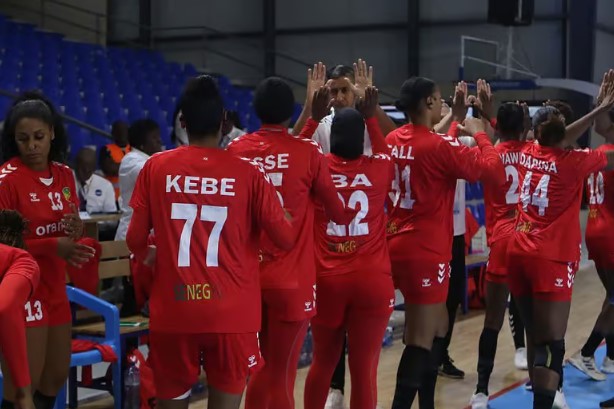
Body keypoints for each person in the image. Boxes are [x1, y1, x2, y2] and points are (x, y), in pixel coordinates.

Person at [126, 74, 296, 409]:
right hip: (232, 315)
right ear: (224, 122)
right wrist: (282, 218)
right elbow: (285, 239)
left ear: (182, 123)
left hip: (175, 310)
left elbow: (134, 239)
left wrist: (150, 254)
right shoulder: (250, 174)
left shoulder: (155, 167)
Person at [226, 77, 351, 409]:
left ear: (256, 109)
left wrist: (311, 119)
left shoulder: (236, 150)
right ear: (291, 111)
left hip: (246, 281)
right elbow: (338, 213)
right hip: (291, 281)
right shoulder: (308, 153)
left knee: (257, 371)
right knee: (282, 375)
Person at [387, 77, 505, 409]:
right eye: (439, 99)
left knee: (436, 326)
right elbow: (493, 172)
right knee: (420, 340)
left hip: (395, 242)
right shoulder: (439, 146)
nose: (443, 104)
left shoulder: (394, 138)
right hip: (426, 250)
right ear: (428, 103)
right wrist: (480, 132)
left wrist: (454, 118)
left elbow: (432, 144)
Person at [507, 75, 614, 409]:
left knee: (536, 338)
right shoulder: (574, 162)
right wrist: (601, 109)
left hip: (517, 251)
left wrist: (598, 110)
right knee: (552, 344)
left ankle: (542, 395)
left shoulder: (526, 152)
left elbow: (555, 136)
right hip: (550, 258)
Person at [0, 93, 95, 409]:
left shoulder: (65, 174)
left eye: (38, 137)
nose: (31, 145)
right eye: (23, 139)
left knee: (54, 376)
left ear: (52, 133)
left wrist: (75, 230)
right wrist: (54, 245)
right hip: (23, 291)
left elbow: (72, 224)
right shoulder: (7, 180)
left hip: (55, 288)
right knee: (23, 385)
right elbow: (3, 247)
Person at [303, 87, 395, 409]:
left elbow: (296, 149)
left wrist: (312, 118)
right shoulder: (380, 166)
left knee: (322, 364)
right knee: (364, 369)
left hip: (327, 280)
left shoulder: (316, 166)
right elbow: (384, 147)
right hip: (371, 280)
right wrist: (371, 117)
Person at [468, 102, 530, 409]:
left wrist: (482, 124)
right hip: (530, 240)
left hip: (501, 242)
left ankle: (481, 391)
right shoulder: (535, 152)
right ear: (524, 128)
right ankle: (549, 384)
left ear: (498, 127)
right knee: (539, 319)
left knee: (492, 321)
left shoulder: (489, 153)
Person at [570, 73, 614, 385]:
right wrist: (603, 104)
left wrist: (602, 100)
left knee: (612, 296)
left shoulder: (600, 154)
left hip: (596, 231)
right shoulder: (609, 155)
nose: (597, 118)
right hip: (609, 233)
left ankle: (610, 356)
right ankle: (586, 353)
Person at [0, 210, 40, 409]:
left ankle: (24, 394)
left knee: (21, 394)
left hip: (21, 267)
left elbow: (4, 307)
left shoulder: (19, 259)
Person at [115, 119, 162, 241]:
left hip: (149, 234)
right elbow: (154, 174)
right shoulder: (130, 160)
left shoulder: (154, 160)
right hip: (129, 234)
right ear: (142, 142)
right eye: (154, 137)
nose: (159, 140)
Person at [74, 148, 118, 240]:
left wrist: (94, 222)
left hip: (98, 234)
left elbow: (112, 220)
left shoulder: (105, 185)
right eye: (83, 167)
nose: (86, 171)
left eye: (89, 169)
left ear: (94, 168)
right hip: (71, 233)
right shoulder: (65, 181)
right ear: (76, 164)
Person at [99, 120, 130, 199]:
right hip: (112, 196)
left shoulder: (134, 149)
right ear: (113, 133)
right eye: (118, 130)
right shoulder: (106, 149)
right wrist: (132, 166)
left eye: (124, 130)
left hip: (131, 198)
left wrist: (118, 166)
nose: (122, 133)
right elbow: (110, 169)